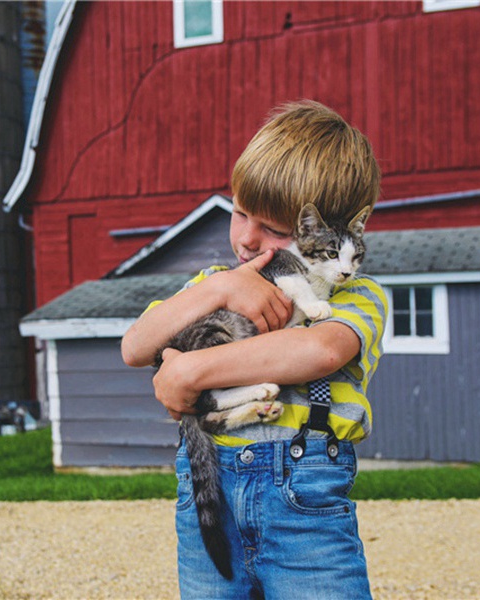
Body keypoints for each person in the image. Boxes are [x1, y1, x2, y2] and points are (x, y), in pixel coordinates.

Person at [121, 100, 387, 599]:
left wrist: (189, 371)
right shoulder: (210, 285)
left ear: (329, 236)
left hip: (305, 505)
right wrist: (220, 291)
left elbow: (320, 351)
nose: (246, 238)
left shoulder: (357, 296)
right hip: (210, 490)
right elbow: (135, 347)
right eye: (239, 212)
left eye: (276, 230)